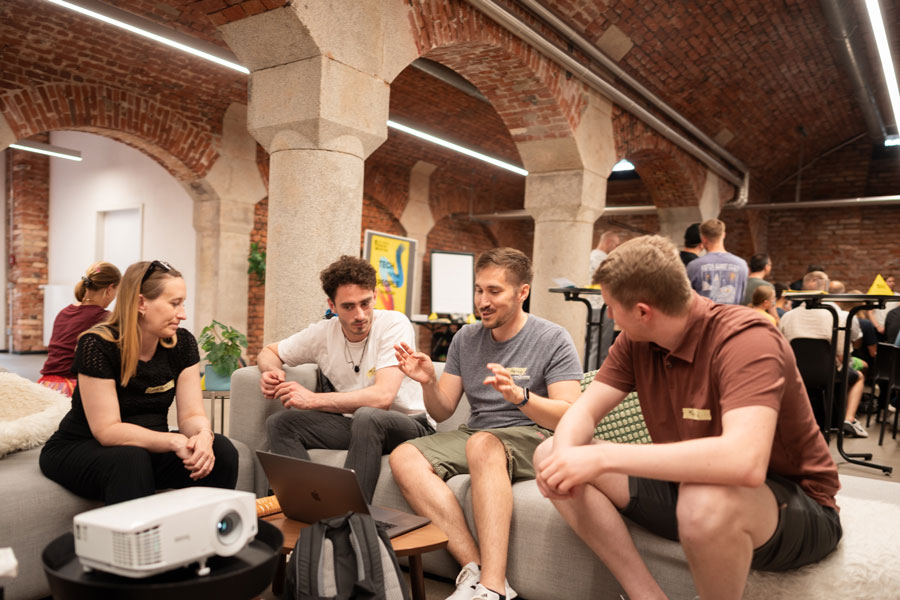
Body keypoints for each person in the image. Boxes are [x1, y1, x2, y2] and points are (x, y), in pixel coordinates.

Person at [534, 236, 841, 600]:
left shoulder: (747, 339)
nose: (611, 316)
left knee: (704, 498)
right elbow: (584, 410)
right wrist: (567, 457)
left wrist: (600, 456)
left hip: (794, 506)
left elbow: (745, 463)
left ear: (644, 311)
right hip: (686, 486)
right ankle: (645, 594)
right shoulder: (636, 341)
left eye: (613, 307)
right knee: (551, 452)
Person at [390, 248, 582, 600]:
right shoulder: (466, 338)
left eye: (494, 291)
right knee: (404, 456)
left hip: (534, 434)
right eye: (479, 290)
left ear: (522, 292)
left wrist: (520, 397)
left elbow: (569, 413)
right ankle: (476, 571)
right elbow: (444, 409)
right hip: (479, 434)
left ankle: (492, 588)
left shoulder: (552, 338)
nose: (483, 301)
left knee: (482, 444)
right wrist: (427, 382)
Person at [39, 260, 238, 505]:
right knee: (131, 459)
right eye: (175, 304)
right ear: (141, 303)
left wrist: (204, 436)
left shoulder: (182, 344)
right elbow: (108, 431)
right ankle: (140, 543)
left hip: (146, 448)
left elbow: (191, 415)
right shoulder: (97, 344)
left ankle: (208, 539)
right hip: (81, 447)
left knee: (222, 450)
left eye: (183, 303)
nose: (183, 314)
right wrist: (173, 441)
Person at [260, 255, 431, 503]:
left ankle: (347, 519)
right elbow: (269, 352)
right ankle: (308, 506)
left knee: (368, 415)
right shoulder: (323, 333)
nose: (359, 314)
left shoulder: (394, 324)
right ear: (332, 304)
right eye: (348, 307)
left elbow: (382, 398)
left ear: (374, 295)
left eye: (365, 303)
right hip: (358, 426)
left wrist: (313, 400)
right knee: (280, 424)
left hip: (409, 426)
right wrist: (270, 371)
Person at [780, 271, 867, 437]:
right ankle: (848, 419)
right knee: (859, 376)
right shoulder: (840, 317)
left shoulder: (787, 317)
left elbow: (782, 352)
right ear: (826, 290)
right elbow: (842, 356)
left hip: (795, 375)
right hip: (828, 375)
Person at [38, 262, 121, 396]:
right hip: (71, 389)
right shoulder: (104, 317)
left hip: (46, 385)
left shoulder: (64, 312)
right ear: (110, 288)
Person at [686, 219, 748, 304]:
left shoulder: (694, 266)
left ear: (703, 239)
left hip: (705, 316)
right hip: (732, 316)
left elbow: (687, 299)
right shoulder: (741, 264)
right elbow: (741, 297)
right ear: (724, 235)